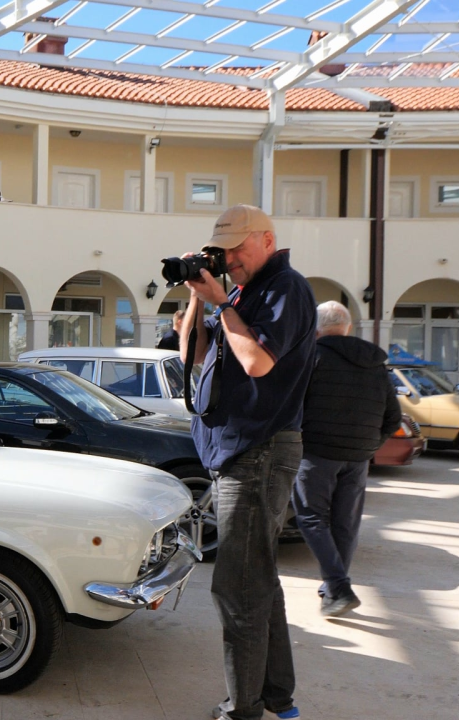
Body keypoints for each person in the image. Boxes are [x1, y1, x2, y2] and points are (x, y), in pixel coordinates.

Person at [179, 204, 316, 720]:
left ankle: (243, 710)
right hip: (243, 450)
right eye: (223, 249)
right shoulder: (242, 290)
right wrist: (200, 295)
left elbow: (257, 360)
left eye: (238, 247)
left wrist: (222, 305)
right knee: (258, 581)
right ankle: (277, 698)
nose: (230, 257)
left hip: (259, 451)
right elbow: (194, 354)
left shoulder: (286, 288)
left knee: (236, 587)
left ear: (266, 240)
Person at [294, 301, 401, 618]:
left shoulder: (311, 358)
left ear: (315, 329)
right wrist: (369, 446)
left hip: (316, 454)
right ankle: (332, 591)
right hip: (358, 459)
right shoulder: (376, 365)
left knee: (311, 519)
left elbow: (293, 408)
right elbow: (393, 419)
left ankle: (338, 587)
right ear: (348, 327)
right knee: (346, 525)